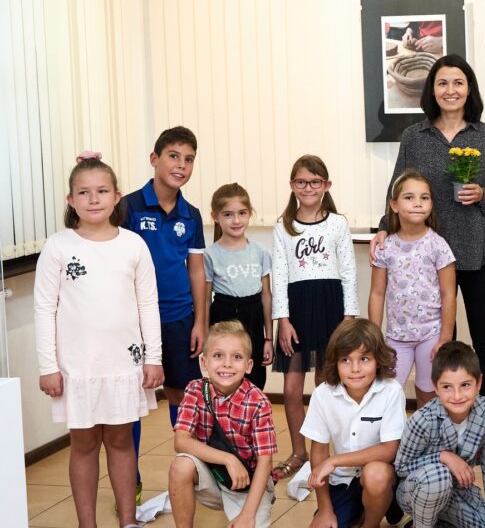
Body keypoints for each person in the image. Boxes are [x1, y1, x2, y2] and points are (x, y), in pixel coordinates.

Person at [369, 54, 485, 408]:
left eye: (458, 83)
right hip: (426, 259)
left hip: (480, 251)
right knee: (444, 346)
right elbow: (397, 188)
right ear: (432, 90)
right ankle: (447, 418)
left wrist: (482, 194)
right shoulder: (414, 137)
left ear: (469, 89)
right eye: (443, 83)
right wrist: (384, 229)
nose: (451, 90)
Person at [35, 153, 163, 528]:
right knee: (84, 444)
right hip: (78, 366)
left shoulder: (134, 245)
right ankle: (86, 524)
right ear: (70, 200)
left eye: (102, 191)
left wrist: (153, 358)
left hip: (124, 363)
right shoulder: (58, 246)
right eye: (84, 192)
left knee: (122, 442)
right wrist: (48, 366)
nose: (94, 199)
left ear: (117, 196)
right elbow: (44, 308)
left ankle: (128, 520)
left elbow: (148, 304)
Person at [122, 125, 207, 501]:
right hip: (132, 320)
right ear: (154, 159)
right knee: (130, 401)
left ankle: (188, 475)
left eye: (189, 159)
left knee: (181, 395)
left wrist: (200, 321)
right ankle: (130, 481)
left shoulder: (192, 215)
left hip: (178, 318)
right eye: (173, 156)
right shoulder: (127, 207)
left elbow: (197, 272)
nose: (181, 165)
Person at [271, 155, 359, 481]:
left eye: (315, 182)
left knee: (325, 386)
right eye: (301, 182)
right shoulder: (283, 226)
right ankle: (298, 453)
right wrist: (282, 320)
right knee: (292, 389)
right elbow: (279, 275)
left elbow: (349, 272)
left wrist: (349, 317)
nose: (308, 187)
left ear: (326, 185)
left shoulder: (337, 224)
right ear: (292, 185)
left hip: (330, 308)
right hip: (296, 311)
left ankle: (324, 452)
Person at [169, 321, 276, 528]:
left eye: (237, 357)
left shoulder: (258, 402)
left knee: (248, 522)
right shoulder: (195, 390)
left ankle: (251, 512)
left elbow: (265, 462)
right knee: (180, 466)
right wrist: (228, 459)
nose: (227, 364)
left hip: (248, 485)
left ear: (249, 365)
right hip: (212, 475)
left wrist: (248, 515)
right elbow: (181, 441)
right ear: (204, 362)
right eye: (218, 355)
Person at [301, 319, 405, 528]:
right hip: (344, 481)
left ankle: (371, 522)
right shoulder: (322, 395)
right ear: (335, 363)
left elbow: (389, 450)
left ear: (378, 360)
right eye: (346, 360)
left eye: (364, 359)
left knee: (375, 474)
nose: (355, 368)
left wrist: (334, 461)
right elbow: (319, 454)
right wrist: (325, 509)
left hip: (385, 479)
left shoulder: (391, 391)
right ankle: (358, 512)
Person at [368, 169, 457, 407]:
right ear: (394, 205)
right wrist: (374, 336)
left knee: (428, 393)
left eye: (424, 198)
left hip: (431, 335)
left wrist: (445, 337)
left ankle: (424, 432)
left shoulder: (438, 245)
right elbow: (377, 293)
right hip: (396, 337)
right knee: (387, 394)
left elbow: (449, 294)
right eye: (409, 197)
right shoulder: (385, 247)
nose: (418, 203)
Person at [394, 341, 485, 528]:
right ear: (435, 387)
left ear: (478, 383)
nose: (457, 396)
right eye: (447, 387)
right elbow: (401, 467)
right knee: (439, 476)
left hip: (458, 493)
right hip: (416, 491)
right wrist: (443, 457)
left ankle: (440, 523)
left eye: (465, 385)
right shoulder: (422, 420)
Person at [205, 183, 273, 389]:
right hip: (223, 315)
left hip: (254, 317)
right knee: (225, 375)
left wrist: (268, 338)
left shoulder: (260, 252)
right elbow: (205, 300)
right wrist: (205, 337)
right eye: (228, 215)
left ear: (250, 213)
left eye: (242, 213)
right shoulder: (210, 254)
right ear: (215, 216)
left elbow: (266, 296)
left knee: (255, 377)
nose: (236, 220)